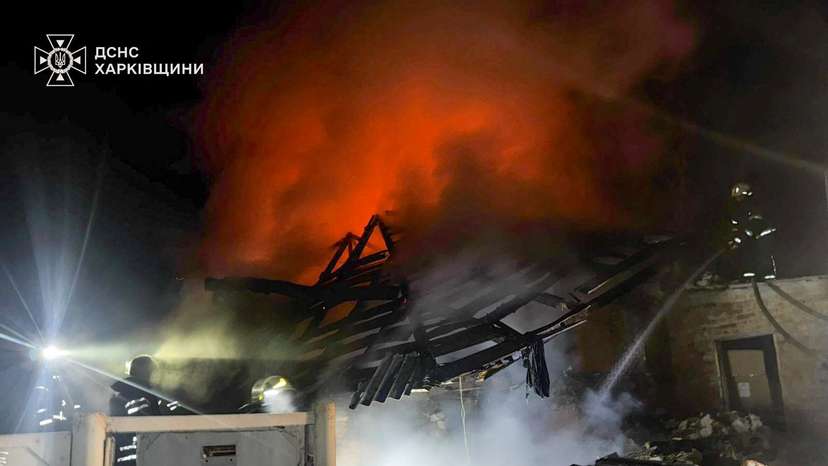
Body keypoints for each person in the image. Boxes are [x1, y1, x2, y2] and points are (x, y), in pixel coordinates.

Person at [109, 355, 162, 464]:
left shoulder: (116, 393)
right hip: (141, 454)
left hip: (119, 454)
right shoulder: (147, 395)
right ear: (148, 372)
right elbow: (157, 427)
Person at [726, 182, 777, 281]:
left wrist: (741, 236)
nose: (738, 199)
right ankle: (750, 274)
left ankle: (767, 274)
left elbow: (756, 223)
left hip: (763, 233)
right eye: (736, 197)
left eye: (739, 197)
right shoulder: (738, 208)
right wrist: (734, 237)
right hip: (750, 234)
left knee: (763, 253)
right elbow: (737, 224)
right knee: (749, 252)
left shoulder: (754, 205)